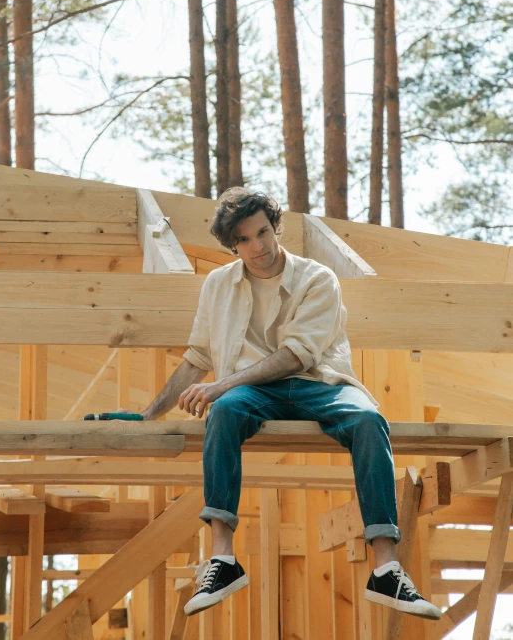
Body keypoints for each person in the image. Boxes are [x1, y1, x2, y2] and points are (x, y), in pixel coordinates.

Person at [119, 188, 441, 621]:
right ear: (232, 245)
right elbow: (198, 357)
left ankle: (385, 566)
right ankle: (222, 560)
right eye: (246, 240)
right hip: (253, 394)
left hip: (319, 382)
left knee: (368, 418)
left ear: (275, 227)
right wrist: (149, 413)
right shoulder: (218, 285)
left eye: (264, 232)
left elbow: (297, 356)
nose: (259, 246)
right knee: (226, 411)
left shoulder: (317, 279)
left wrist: (222, 384)